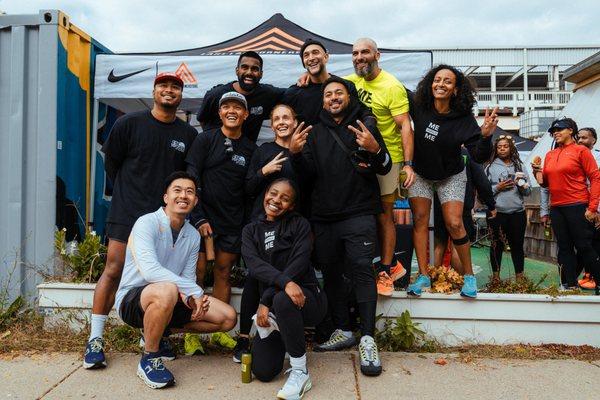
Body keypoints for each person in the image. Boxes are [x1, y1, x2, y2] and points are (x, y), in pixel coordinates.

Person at [84, 72, 198, 369]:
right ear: (154, 91)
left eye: (175, 86)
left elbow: (187, 180)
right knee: (114, 269)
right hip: (128, 211)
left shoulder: (188, 135)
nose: (169, 90)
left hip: (165, 219)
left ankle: (150, 336)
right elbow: (112, 163)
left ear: (181, 94)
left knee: (159, 275)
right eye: (164, 85)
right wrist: (127, 193)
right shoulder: (129, 123)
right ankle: (95, 339)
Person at [290, 76, 391, 376]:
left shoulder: (365, 125)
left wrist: (375, 149)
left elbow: (384, 167)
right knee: (331, 273)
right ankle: (343, 329)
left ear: (349, 97)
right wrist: (295, 155)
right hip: (323, 216)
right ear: (322, 101)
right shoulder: (313, 131)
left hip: (359, 213)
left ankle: (368, 338)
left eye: (339, 93)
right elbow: (305, 177)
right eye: (328, 94)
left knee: (361, 269)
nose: (333, 98)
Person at [115, 172, 237, 389]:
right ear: (166, 197)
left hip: (170, 298)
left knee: (227, 318)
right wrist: (195, 292)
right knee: (167, 290)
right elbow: (150, 272)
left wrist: (191, 300)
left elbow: (187, 278)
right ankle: (150, 358)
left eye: (190, 192)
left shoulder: (192, 235)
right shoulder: (146, 223)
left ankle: (160, 331)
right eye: (177, 190)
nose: (184, 196)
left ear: (196, 201)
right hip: (133, 299)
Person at [407, 64, 496, 299]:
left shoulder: (463, 119)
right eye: (437, 80)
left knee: (455, 223)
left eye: (448, 81)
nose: (441, 84)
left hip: (451, 174)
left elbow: (478, 155)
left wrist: (486, 136)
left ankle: (469, 277)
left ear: (455, 90)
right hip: (421, 173)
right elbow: (388, 88)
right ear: (430, 83)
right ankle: (424, 275)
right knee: (420, 222)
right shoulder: (418, 105)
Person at [242, 178, 327, 399]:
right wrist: (274, 293)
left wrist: (266, 299)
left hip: (305, 300)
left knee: (282, 300)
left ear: (291, 205)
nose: (276, 200)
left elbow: (297, 265)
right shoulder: (251, 230)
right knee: (263, 372)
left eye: (285, 198)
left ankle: (300, 371)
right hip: (273, 310)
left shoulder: (299, 225)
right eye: (273, 193)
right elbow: (254, 265)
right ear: (265, 194)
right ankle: (287, 336)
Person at [232, 104, 304, 361]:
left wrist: (296, 155)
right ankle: (243, 339)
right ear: (271, 125)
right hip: (262, 225)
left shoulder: (303, 148)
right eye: (276, 119)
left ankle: (288, 334)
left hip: (292, 228)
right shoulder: (263, 150)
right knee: (255, 277)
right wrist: (264, 171)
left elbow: (311, 184)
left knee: (289, 275)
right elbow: (248, 187)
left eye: (286, 117)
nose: (282, 122)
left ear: (295, 122)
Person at [345, 38, 413, 296]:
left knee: (384, 215)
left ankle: (386, 270)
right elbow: (327, 87)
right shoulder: (351, 81)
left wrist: (408, 164)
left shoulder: (392, 86)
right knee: (364, 213)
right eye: (355, 53)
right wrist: (306, 77)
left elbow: (405, 125)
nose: (359, 57)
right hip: (360, 158)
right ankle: (387, 265)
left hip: (388, 157)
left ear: (377, 55)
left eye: (364, 52)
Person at [186, 92, 257, 304]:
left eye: (237, 107)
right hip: (202, 218)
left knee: (223, 273)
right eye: (226, 107)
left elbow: (250, 189)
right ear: (220, 113)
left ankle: (218, 329)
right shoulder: (205, 139)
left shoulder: (251, 149)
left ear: (245, 114)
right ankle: (193, 333)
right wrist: (198, 217)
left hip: (232, 223)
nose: (231, 111)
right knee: (196, 274)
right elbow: (191, 176)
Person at [532, 118, 600, 292]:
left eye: (559, 129)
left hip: (578, 204)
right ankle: (568, 285)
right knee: (564, 248)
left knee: (584, 246)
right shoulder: (550, 154)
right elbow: (545, 183)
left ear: (571, 130)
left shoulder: (581, 151)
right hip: (557, 208)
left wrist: (592, 208)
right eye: (553, 130)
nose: (555, 132)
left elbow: (595, 177)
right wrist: (536, 171)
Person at [197, 51, 285, 142]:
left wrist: (301, 81)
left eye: (254, 69)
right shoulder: (215, 95)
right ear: (237, 71)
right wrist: (213, 142)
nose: (249, 72)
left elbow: (293, 94)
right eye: (244, 67)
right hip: (216, 152)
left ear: (261, 74)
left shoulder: (268, 94)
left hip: (247, 153)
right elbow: (202, 119)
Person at [433, 148, 496, 272]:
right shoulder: (469, 154)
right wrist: (491, 205)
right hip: (461, 205)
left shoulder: (437, 150)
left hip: (438, 203)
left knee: (439, 245)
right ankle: (462, 282)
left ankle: (432, 282)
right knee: (459, 245)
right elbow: (482, 182)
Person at [485, 135, 531, 281]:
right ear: (495, 149)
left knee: (517, 246)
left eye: (505, 146)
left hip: (517, 213)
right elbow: (483, 192)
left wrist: (522, 185)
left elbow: (528, 192)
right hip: (496, 213)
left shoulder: (520, 166)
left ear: (511, 148)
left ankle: (520, 278)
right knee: (496, 246)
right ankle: (496, 278)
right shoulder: (490, 167)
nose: (502, 149)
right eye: (499, 147)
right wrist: (497, 187)